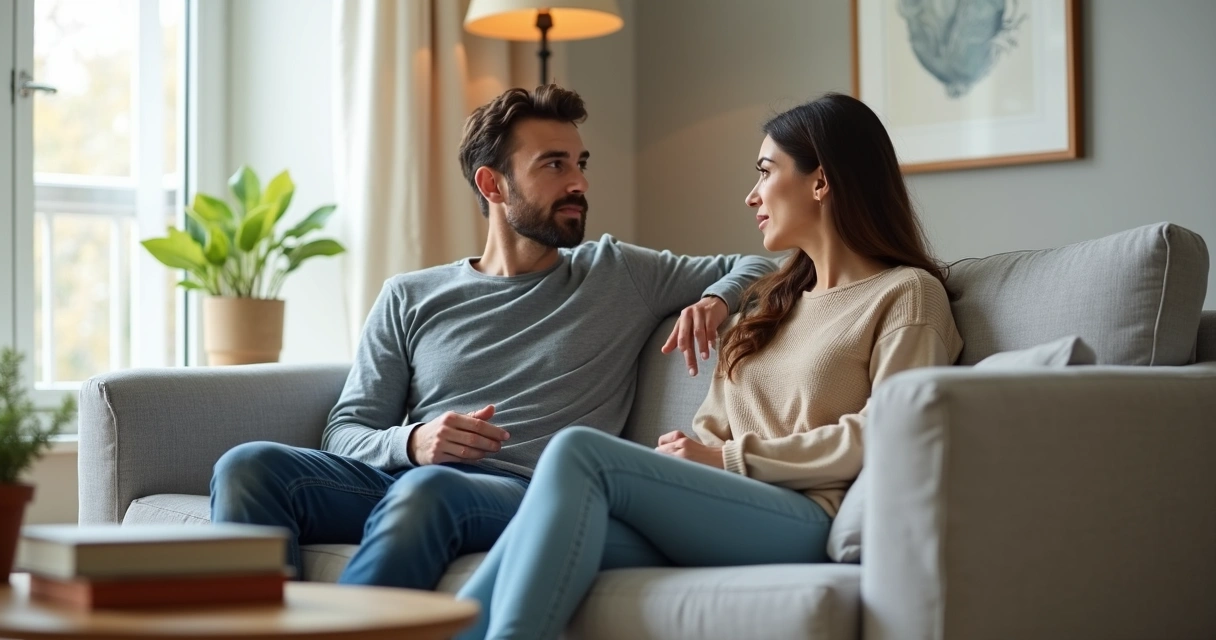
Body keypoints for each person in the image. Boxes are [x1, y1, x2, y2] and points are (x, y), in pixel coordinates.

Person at [207, 84, 773, 589]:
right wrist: (412, 443)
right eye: (554, 165)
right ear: (492, 184)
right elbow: (345, 430)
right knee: (248, 466)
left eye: (580, 163)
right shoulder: (409, 295)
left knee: (429, 493)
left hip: (520, 492)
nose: (579, 182)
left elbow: (769, 264)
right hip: (409, 479)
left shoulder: (615, 270)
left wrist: (716, 298)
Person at [454, 92, 965, 640]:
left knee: (578, 450)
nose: (751, 196)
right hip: (725, 508)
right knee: (549, 529)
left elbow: (886, 435)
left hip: (804, 516)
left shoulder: (906, 295)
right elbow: (712, 429)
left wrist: (723, 459)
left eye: (766, 172)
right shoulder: (770, 305)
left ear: (821, 182)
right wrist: (684, 460)